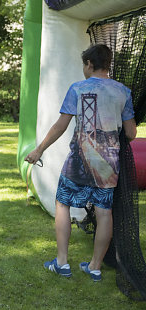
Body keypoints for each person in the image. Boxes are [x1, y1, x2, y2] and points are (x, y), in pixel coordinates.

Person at [25, 44, 137, 281]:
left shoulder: (77, 88)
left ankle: (62, 263)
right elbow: (131, 133)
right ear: (108, 64)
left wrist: (39, 149)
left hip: (79, 161)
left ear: (89, 64)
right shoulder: (123, 92)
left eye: (84, 65)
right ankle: (95, 267)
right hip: (109, 164)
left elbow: (60, 126)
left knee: (62, 203)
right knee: (104, 212)